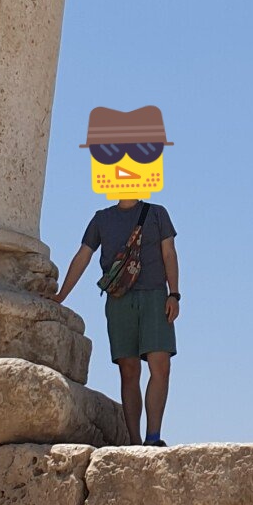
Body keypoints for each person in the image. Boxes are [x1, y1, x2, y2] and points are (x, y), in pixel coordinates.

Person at [52, 105, 180, 447]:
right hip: (119, 301)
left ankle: (153, 438)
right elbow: (83, 256)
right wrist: (62, 294)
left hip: (155, 295)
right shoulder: (100, 219)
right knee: (129, 371)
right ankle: (136, 443)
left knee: (160, 367)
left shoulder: (157, 213)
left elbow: (169, 253)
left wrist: (175, 294)